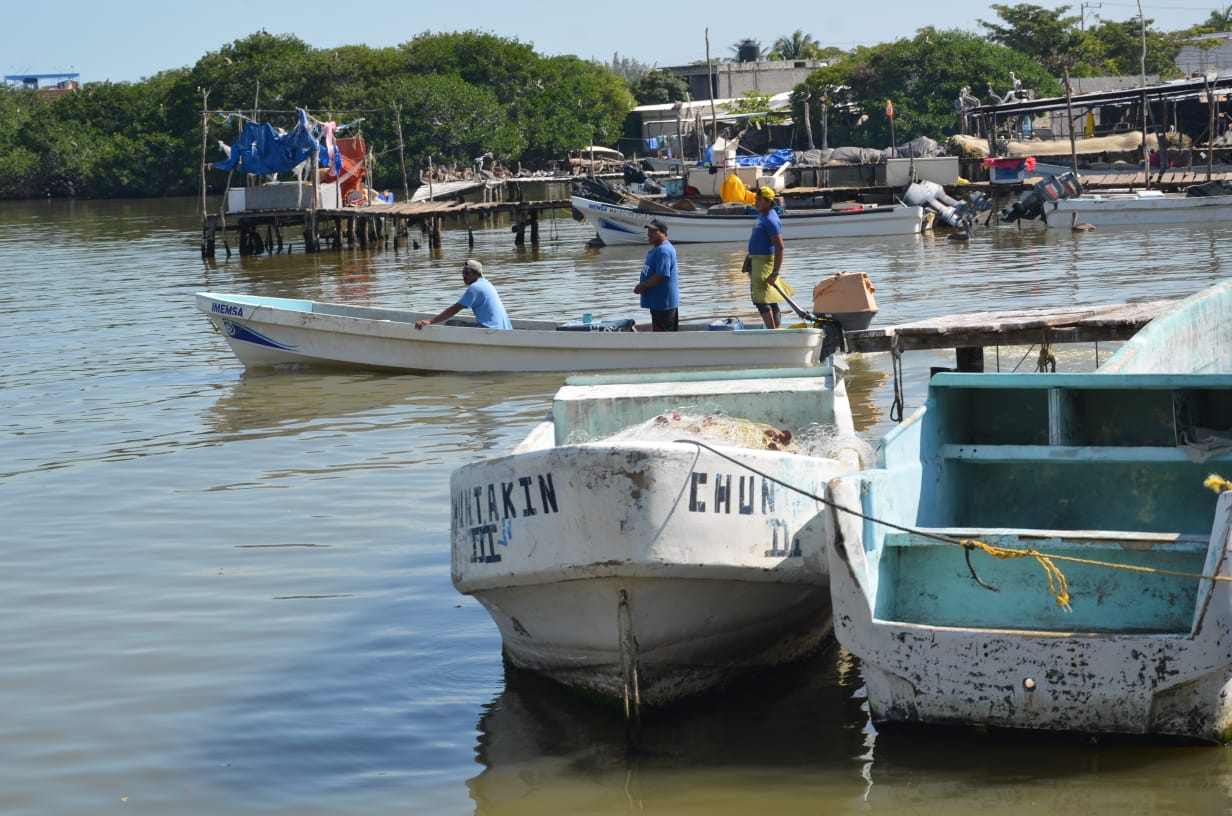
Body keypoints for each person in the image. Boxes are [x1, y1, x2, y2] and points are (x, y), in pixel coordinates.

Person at [414, 259, 512, 330]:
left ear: (476, 274)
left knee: (451, 323)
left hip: (490, 329)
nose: (464, 277)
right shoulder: (487, 284)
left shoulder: (475, 288)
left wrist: (430, 321)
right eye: (463, 273)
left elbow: (454, 309)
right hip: (504, 329)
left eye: (467, 273)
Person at [746, 186, 793, 328]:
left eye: (759, 200)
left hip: (764, 263)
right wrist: (751, 267)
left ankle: (772, 331)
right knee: (770, 297)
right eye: (756, 199)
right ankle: (776, 328)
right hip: (756, 262)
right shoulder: (762, 215)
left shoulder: (771, 220)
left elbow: (780, 247)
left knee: (760, 299)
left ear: (769, 201)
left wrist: (775, 272)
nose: (756, 202)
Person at [633, 218, 679, 331]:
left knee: (663, 339)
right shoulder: (659, 249)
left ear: (663, 232)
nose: (650, 234)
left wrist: (643, 286)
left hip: (662, 305)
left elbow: (662, 275)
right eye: (649, 231)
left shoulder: (663, 251)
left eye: (653, 231)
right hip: (659, 303)